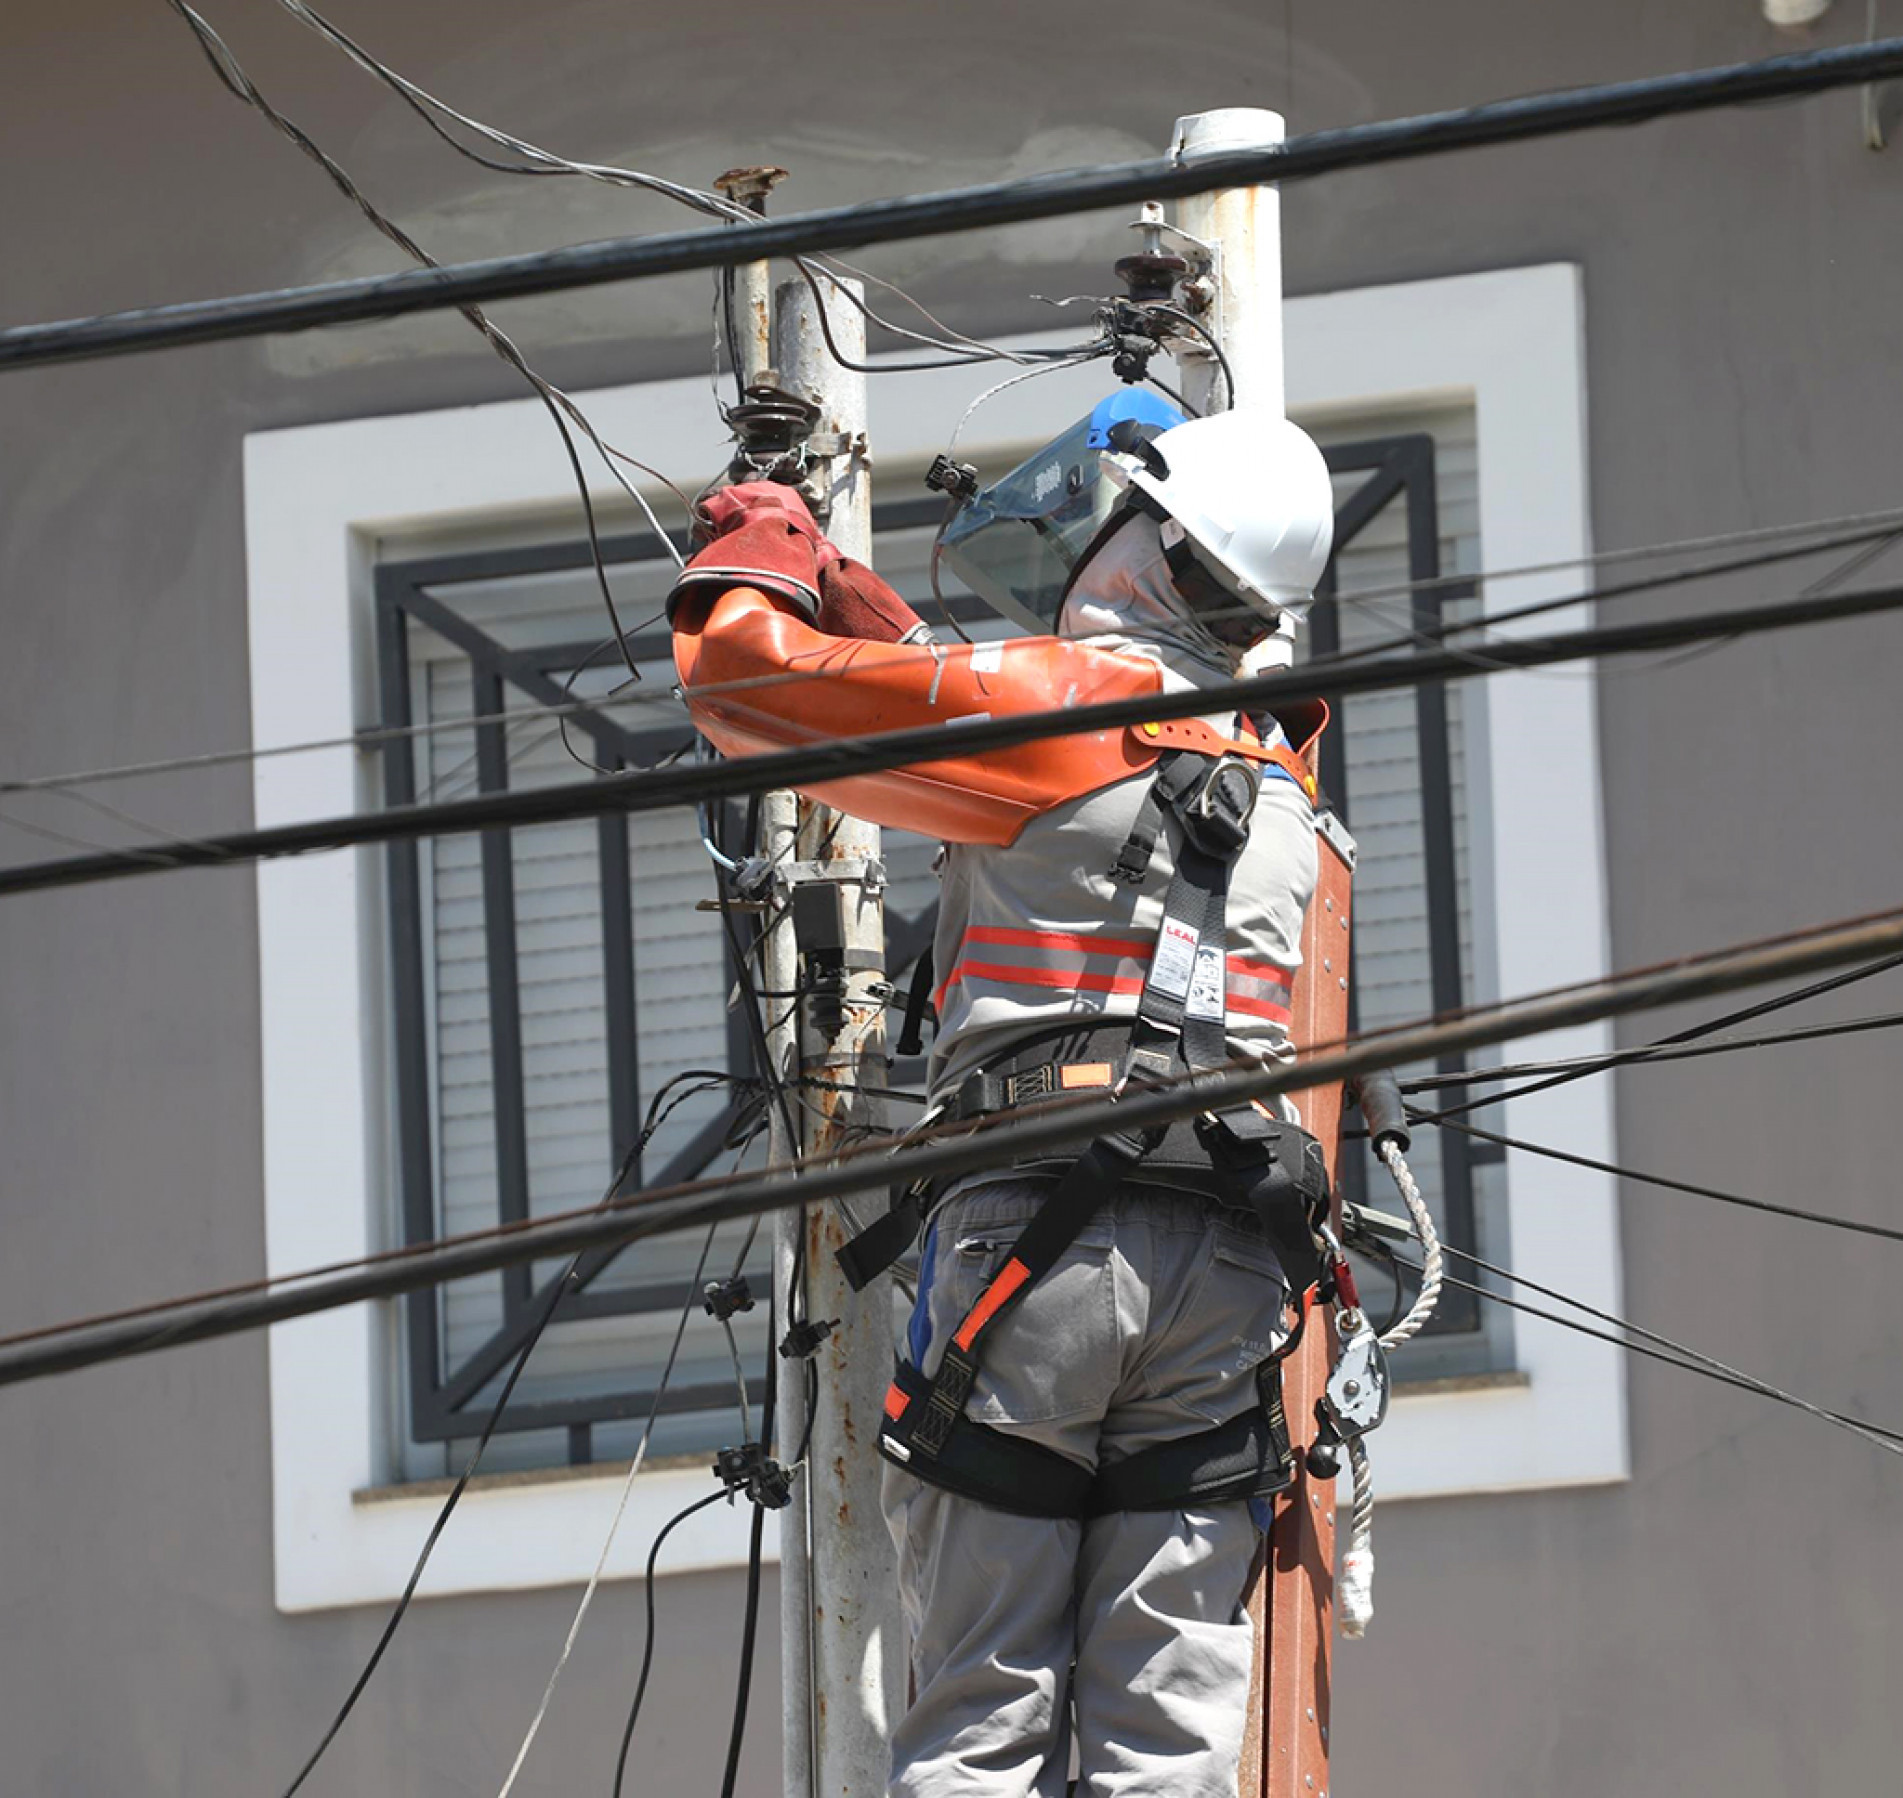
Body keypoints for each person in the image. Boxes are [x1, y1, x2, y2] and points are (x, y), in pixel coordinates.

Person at [667, 401, 1337, 1798]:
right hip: (1225, 1283)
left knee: (982, 1717)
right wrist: (894, 630)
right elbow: (1031, 762)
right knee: (1168, 1737)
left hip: (1038, 1263)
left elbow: (748, 685)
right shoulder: (1279, 787)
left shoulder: (1055, 704)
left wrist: (764, 540)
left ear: (1149, 542)